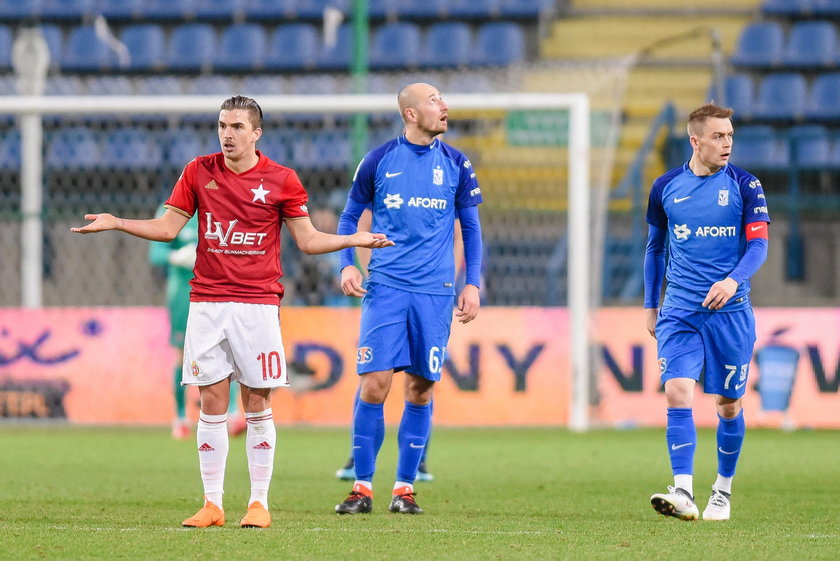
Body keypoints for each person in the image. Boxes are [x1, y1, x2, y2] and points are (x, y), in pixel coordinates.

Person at [72, 95, 393, 528]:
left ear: (256, 133)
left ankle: (258, 503)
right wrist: (119, 222)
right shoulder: (198, 171)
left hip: (257, 305)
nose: (227, 133)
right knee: (209, 400)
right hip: (206, 302)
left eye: (238, 126)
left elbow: (308, 239)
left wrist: (354, 240)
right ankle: (213, 504)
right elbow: (168, 229)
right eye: (223, 125)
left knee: (257, 401)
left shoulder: (281, 180)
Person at [333, 82, 484, 515]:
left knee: (419, 388)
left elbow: (471, 230)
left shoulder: (457, 163)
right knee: (375, 383)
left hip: (435, 293)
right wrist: (346, 261)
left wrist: (470, 282)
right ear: (411, 114)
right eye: (435, 100)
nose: (445, 106)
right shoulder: (380, 159)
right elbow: (348, 215)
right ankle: (362, 488)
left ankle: (404, 489)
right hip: (385, 289)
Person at [644, 103, 770, 521]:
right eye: (718, 136)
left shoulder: (745, 185)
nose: (727, 143)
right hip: (680, 309)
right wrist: (650, 303)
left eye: (730, 135)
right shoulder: (665, 187)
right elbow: (655, 249)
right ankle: (682, 491)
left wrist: (733, 280)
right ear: (695, 141)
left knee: (728, 404)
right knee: (677, 389)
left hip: (731, 313)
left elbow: (758, 246)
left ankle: (722, 491)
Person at [335, 208, 435, 483]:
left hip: (430, 288)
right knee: (374, 377)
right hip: (385, 287)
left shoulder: (449, 167)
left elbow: (462, 230)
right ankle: (360, 461)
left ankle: (418, 461)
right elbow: (359, 218)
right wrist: (371, 272)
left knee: (422, 380)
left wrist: (453, 275)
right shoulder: (380, 166)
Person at [147, 211, 247, 440]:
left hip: (219, 287)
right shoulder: (170, 208)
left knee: (227, 349)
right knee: (182, 353)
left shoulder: (223, 204)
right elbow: (156, 252)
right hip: (184, 289)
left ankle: (232, 414)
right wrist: (176, 256)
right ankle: (181, 418)